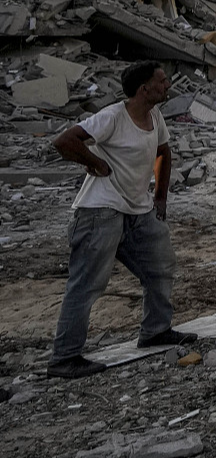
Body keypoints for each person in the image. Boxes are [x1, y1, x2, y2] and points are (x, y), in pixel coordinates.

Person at [47, 61, 194, 378]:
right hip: (101, 210)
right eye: (162, 80)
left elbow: (163, 153)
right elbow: (63, 141)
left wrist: (160, 197)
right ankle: (64, 358)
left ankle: (155, 331)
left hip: (138, 210)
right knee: (87, 283)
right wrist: (95, 162)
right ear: (145, 88)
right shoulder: (112, 116)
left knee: (160, 267)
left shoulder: (154, 115)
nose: (168, 84)